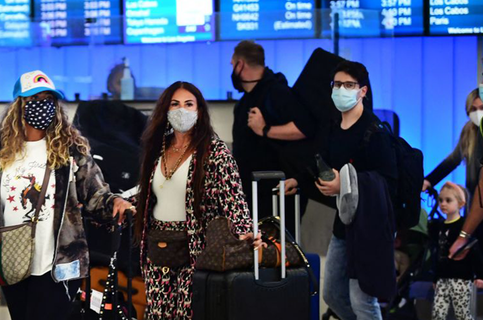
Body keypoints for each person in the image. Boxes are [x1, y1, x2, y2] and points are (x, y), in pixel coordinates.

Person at [0, 70, 134, 320]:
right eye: (35, 100)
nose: (42, 106)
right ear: (19, 105)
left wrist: (117, 203)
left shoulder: (70, 150)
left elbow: (96, 194)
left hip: (59, 262)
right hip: (11, 259)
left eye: (48, 99)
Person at [133, 81, 263, 320]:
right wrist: (118, 203)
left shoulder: (214, 152)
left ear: (199, 111)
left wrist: (246, 232)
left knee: (189, 313)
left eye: (188, 104)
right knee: (157, 313)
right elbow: (150, 192)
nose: (182, 110)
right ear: (165, 110)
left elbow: (233, 198)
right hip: (158, 247)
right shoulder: (156, 148)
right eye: (175, 104)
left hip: (195, 248)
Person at [287, 60, 398, 320]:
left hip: (369, 227)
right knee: (333, 294)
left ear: (363, 91)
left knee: (362, 299)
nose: (341, 90)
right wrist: (300, 182)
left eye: (349, 85)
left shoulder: (376, 132)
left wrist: (344, 184)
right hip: (343, 224)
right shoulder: (333, 127)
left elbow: (387, 182)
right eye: (337, 84)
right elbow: (324, 164)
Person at [230, 40, 318, 229]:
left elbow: (305, 128)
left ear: (240, 64)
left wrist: (265, 130)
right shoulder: (245, 101)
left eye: (232, 64)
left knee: (279, 252)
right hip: (252, 192)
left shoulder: (277, 92)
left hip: (277, 194)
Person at [431, 182, 483, 320]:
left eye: (448, 200)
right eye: (441, 200)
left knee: (462, 314)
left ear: (460, 203)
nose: (443, 204)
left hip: (462, 278)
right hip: (443, 278)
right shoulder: (439, 226)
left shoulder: (465, 226)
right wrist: (436, 277)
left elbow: (474, 250)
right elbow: (439, 254)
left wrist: (479, 275)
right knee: (438, 314)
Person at [424, 88, 483, 199]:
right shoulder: (469, 131)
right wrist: (429, 180)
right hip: (473, 199)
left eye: (482, 108)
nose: (478, 113)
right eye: (473, 109)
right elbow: (452, 161)